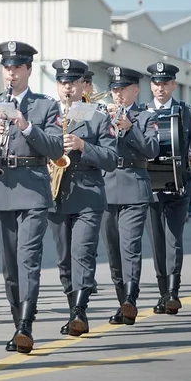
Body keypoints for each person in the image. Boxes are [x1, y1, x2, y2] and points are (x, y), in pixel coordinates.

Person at [0, 41, 64, 354]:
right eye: (7, 68)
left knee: (28, 260)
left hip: (33, 188)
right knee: (9, 267)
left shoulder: (46, 106)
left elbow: (56, 149)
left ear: (28, 70)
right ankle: (16, 320)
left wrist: (27, 125)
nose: (11, 74)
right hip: (0, 188)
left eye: (17, 68)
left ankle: (25, 327)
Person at [46, 59, 117, 336]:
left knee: (82, 254)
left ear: (82, 84)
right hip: (57, 195)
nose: (68, 88)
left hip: (87, 193)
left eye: (73, 83)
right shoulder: (49, 115)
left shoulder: (98, 116)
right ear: (58, 85)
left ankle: (80, 312)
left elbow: (111, 159)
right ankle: (71, 306)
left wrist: (83, 145)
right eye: (63, 83)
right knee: (64, 259)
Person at [144, 62, 191, 314]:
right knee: (157, 241)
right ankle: (162, 293)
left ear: (173, 85)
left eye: (165, 83)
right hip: (150, 187)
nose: (160, 88)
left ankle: (173, 292)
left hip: (179, 185)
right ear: (151, 85)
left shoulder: (186, 112)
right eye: (156, 83)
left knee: (174, 239)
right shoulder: (141, 112)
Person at [101, 66, 159, 325]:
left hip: (134, 186)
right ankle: (121, 302)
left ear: (136, 89)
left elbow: (152, 150)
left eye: (123, 88)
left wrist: (130, 127)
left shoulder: (146, 116)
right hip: (106, 189)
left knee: (130, 248)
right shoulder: (102, 115)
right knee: (113, 251)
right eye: (114, 89)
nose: (118, 94)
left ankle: (131, 300)